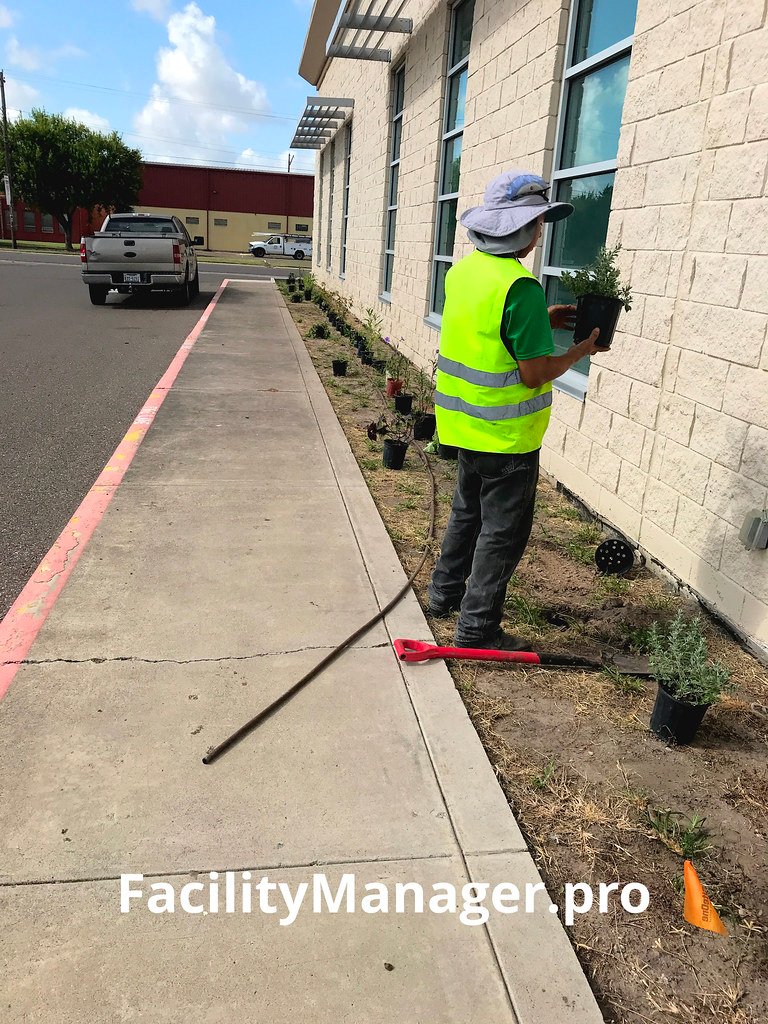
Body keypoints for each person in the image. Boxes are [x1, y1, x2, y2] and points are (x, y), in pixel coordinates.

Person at [427, 170, 604, 650]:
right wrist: (580, 349)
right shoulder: (521, 288)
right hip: (507, 439)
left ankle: (442, 596)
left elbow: (489, 336)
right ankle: (476, 629)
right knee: (502, 533)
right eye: (539, 222)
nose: (540, 231)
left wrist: (542, 320)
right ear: (523, 230)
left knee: (466, 514)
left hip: (462, 424)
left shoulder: (463, 272)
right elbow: (532, 372)